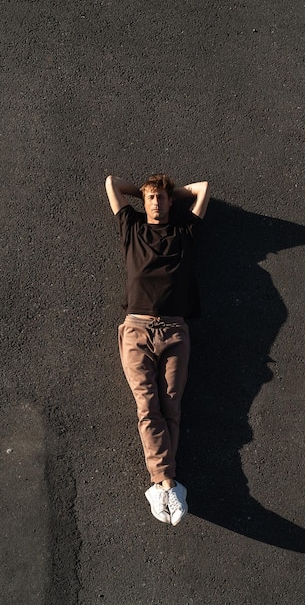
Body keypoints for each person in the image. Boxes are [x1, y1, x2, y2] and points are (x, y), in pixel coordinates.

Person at [105, 173, 210, 526]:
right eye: (150, 199)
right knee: (147, 405)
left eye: (161, 199)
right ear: (142, 203)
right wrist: (145, 190)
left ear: (169, 203)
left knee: (171, 407)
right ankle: (165, 482)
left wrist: (170, 192)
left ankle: (162, 486)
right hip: (136, 329)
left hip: (175, 330)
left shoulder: (184, 233)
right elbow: (111, 184)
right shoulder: (131, 229)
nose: (155, 203)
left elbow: (202, 189)